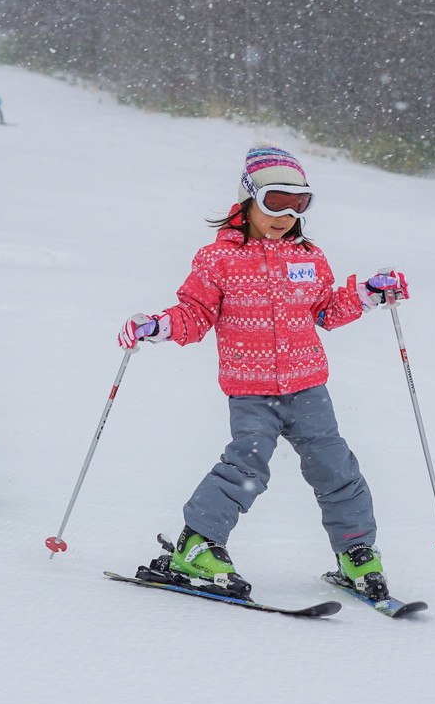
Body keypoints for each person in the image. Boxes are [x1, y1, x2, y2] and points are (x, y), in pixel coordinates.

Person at [115, 146, 410, 602]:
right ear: (249, 199)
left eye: (300, 203)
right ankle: (197, 545)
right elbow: (195, 314)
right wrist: (159, 326)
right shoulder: (220, 260)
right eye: (276, 201)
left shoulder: (309, 258)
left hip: (308, 385)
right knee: (245, 467)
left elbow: (326, 311)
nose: (286, 214)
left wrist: (369, 293)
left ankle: (356, 552)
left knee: (335, 468)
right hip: (251, 390)